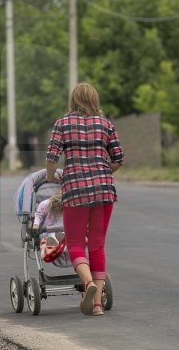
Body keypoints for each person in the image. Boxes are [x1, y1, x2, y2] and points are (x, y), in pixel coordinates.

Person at [45, 83, 124, 316]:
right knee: (98, 245)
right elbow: (118, 158)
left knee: (76, 244)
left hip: (75, 190)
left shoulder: (63, 123)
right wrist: (101, 170)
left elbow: (52, 156)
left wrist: (51, 177)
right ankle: (97, 305)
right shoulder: (106, 123)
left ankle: (88, 284)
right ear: (94, 99)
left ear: (73, 100)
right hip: (103, 191)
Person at [30, 193, 65, 261]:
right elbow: (38, 215)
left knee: (63, 233)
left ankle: (61, 241)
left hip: (63, 228)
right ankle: (53, 243)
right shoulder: (44, 205)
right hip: (48, 229)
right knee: (51, 235)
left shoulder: (66, 206)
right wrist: (36, 225)